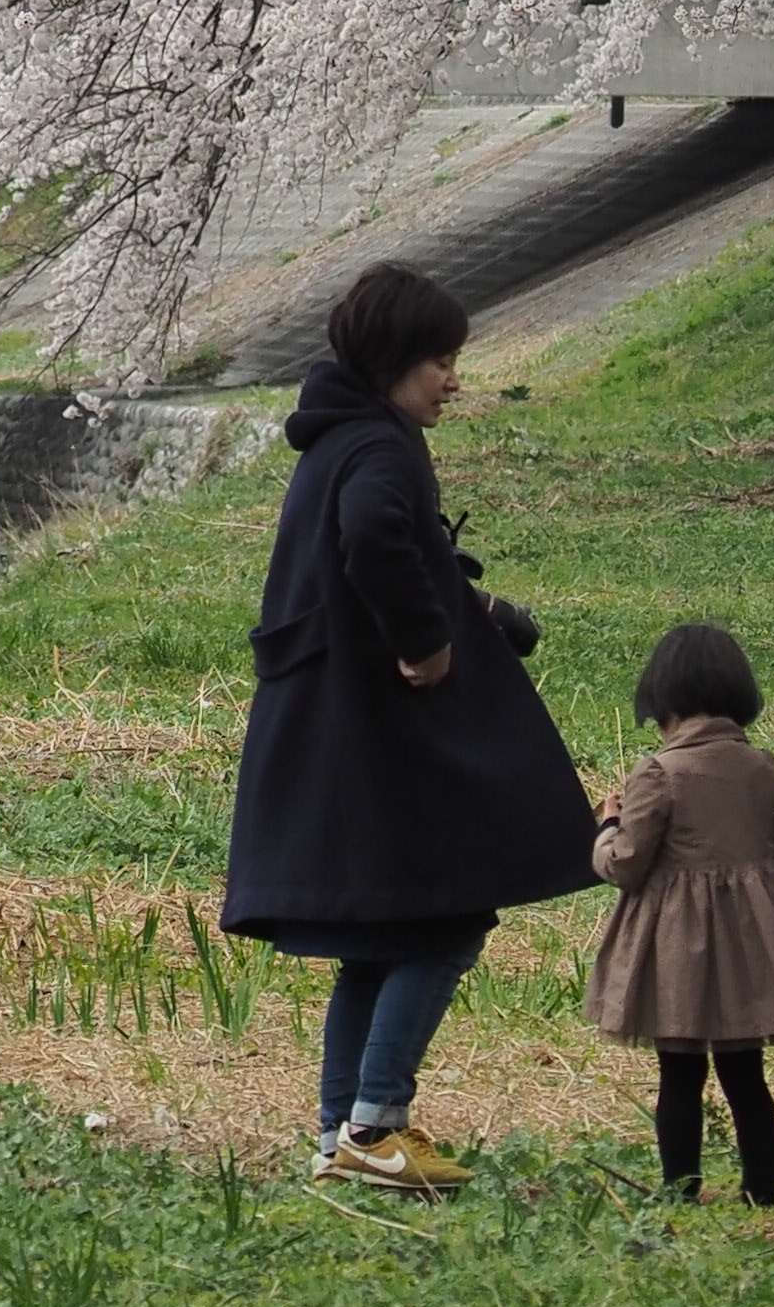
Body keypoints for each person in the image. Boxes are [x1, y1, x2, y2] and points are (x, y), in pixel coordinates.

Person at [218, 261, 600, 1191]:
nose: (453, 379)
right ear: (397, 360)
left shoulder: (336, 440)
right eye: (441, 360)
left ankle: (339, 1135)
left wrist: (473, 612)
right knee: (444, 923)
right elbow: (378, 538)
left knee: (377, 937)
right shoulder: (381, 450)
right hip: (379, 736)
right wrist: (429, 643)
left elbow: (388, 548)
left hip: (333, 730)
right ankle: (376, 1125)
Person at [583, 623, 774, 1207]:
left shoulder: (659, 773)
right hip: (751, 936)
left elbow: (627, 864)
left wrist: (607, 825)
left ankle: (680, 1191)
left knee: (680, 1073)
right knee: (746, 1075)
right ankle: (761, 1192)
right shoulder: (760, 765)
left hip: (676, 943)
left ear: (661, 698)